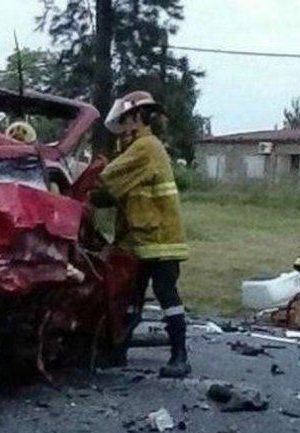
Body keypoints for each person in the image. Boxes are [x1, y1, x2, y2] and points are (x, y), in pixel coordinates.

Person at [90, 90, 190, 378]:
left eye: (124, 121)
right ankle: (117, 353)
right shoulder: (141, 148)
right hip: (140, 238)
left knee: (166, 294)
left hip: (159, 239)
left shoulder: (145, 147)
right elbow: (117, 193)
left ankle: (180, 356)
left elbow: (106, 180)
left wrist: (81, 186)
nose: (120, 128)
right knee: (129, 296)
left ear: (136, 118)